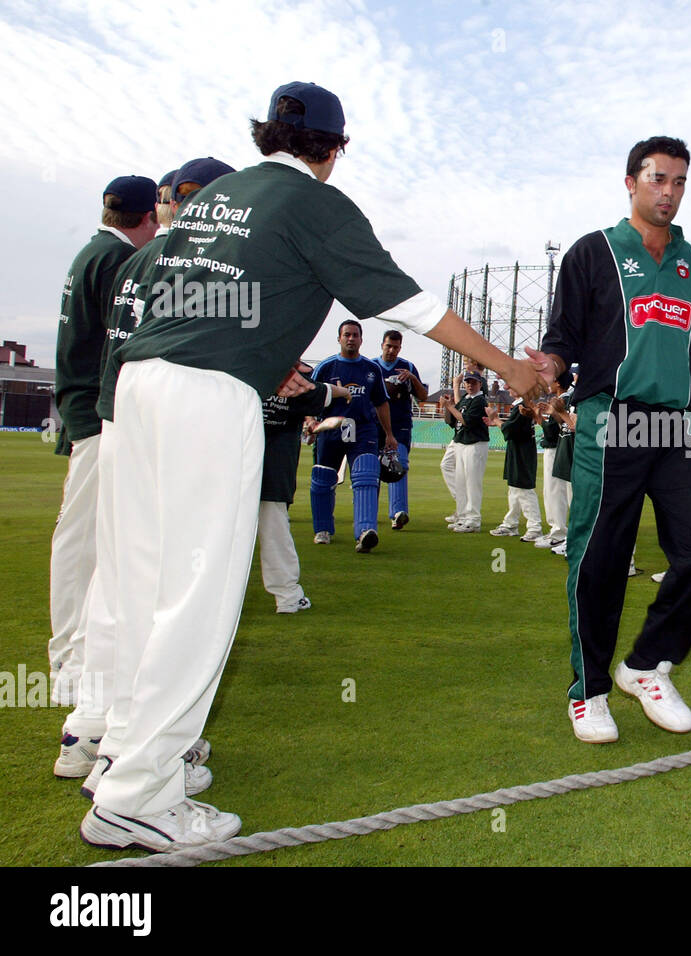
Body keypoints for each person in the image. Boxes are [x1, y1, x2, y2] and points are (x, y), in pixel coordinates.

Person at [78, 81, 544, 853]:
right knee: (195, 597)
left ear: (268, 134)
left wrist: (273, 360)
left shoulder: (216, 197)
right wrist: (507, 368)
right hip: (207, 396)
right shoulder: (316, 203)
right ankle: (138, 794)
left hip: (138, 386)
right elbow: (411, 304)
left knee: (139, 581)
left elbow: (181, 294)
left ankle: (118, 755)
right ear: (337, 145)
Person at [531, 135, 691, 744]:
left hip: (672, 426)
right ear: (631, 182)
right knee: (601, 559)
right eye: (658, 179)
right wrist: (549, 368)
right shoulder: (593, 252)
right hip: (608, 420)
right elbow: (563, 334)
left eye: (680, 182)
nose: (669, 192)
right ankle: (588, 691)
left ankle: (645, 666)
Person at [57, 159, 234, 785]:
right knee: (168, 589)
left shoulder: (135, 260)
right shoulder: (193, 263)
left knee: (116, 583)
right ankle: (141, 751)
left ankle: (93, 730)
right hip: (155, 433)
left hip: (114, 420)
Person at [48, 174, 157, 714]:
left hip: (82, 407)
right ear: (147, 219)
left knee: (85, 535)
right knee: (88, 538)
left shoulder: (91, 252)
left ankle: (72, 656)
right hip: (97, 412)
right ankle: (72, 660)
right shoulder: (115, 261)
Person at [261, 366, 350, 611]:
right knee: (275, 533)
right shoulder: (295, 381)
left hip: (236, 470)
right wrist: (345, 391)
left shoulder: (244, 371)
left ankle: (209, 598)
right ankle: (288, 597)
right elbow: (325, 392)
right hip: (274, 472)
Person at [306, 319, 397, 553]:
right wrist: (310, 422)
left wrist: (389, 434)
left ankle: (366, 531)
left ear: (361, 339)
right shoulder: (325, 368)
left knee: (367, 473)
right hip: (331, 429)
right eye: (346, 334)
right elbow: (311, 399)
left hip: (363, 429)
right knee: (323, 480)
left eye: (355, 335)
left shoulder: (371, 368)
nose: (351, 338)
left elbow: (381, 403)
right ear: (339, 338)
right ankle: (323, 529)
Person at [374, 329, 427, 530]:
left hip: (400, 425)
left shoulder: (407, 367)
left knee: (399, 464)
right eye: (388, 346)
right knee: (372, 469)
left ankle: (398, 513)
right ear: (382, 345)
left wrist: (413, 379)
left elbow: (423, 396)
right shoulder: (372, 366)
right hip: (374, 425)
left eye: (396, 347)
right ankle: (368, 509)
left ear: (400, 348)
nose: (392, 350)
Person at [487, 388, 544, 541]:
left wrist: (496, 419)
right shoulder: (519, 405)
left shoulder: (522, 406)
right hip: (518, 450)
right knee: (514, 488)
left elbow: (510, 430)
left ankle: (535, 527)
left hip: (522, 452)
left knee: (524, 489)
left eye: (511, 384)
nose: (507, 387)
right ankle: (511, 524)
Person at [444, 369, 490, 531]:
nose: (470, 385)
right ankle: (463, 516)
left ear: (480, 384)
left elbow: (466, 420)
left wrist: (452, 407)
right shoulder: (465, 399)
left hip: (475, 444)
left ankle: (473, 519)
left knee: (472, 483)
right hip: (461, 442)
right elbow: (451, 421)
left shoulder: (479, 401)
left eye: (473, 382)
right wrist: (447, 408)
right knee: (461, 482)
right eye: (468, 382)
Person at [535, 382, 569, 548]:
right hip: (555, 448)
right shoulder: (559, 400)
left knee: (556, 491)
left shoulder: (566, 399)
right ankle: (556, 530)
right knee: (550, 491)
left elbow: (552, 431)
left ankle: (559, 532)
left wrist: (539, 418)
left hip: (558, 449)